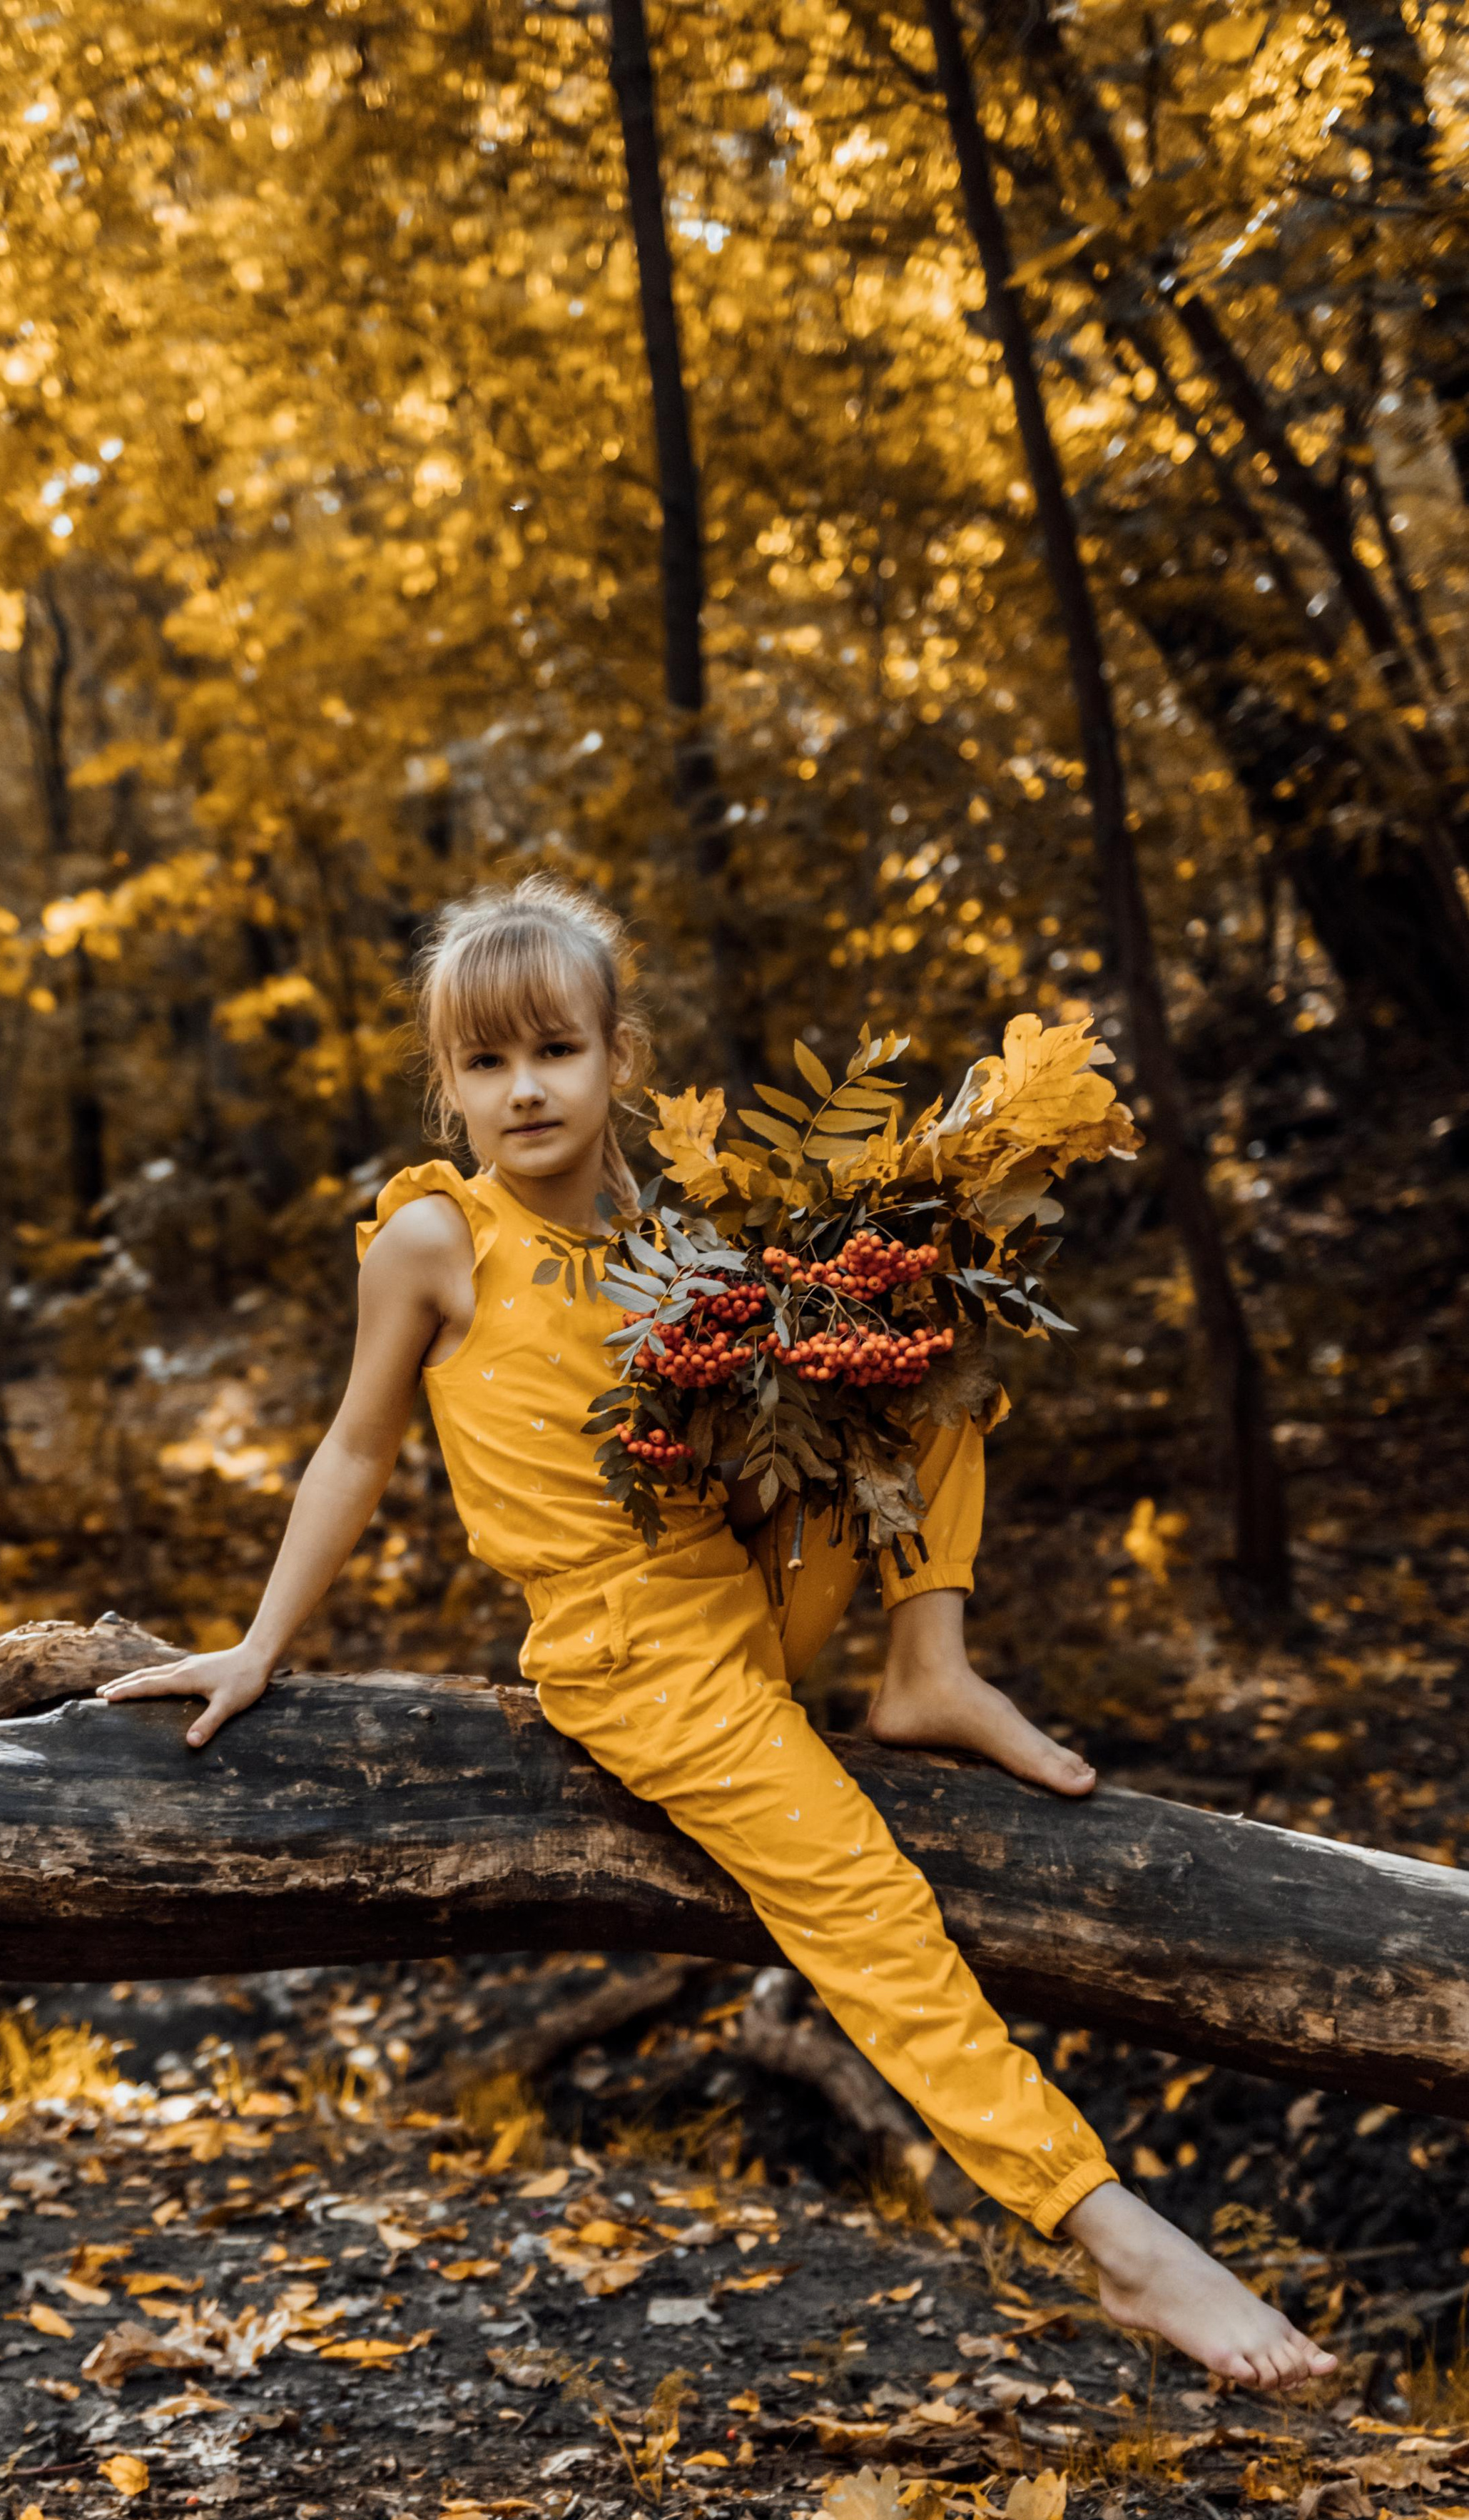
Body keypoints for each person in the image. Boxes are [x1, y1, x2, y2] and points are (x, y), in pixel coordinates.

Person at [96, 874, 1334, 2392]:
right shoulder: (433, 1239)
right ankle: (1121, 2243)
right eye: (483, 1064)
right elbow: (353, 1449)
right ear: (446, 1091)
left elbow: (789, 1419)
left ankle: (924, 1667)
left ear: (622, 1058)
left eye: (552, 1048)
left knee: (929, 1337)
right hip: (638, 1658)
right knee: (866, 1913)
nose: (523, 1087)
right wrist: (256, 1643)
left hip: (758, 1593)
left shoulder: (680, 1233)